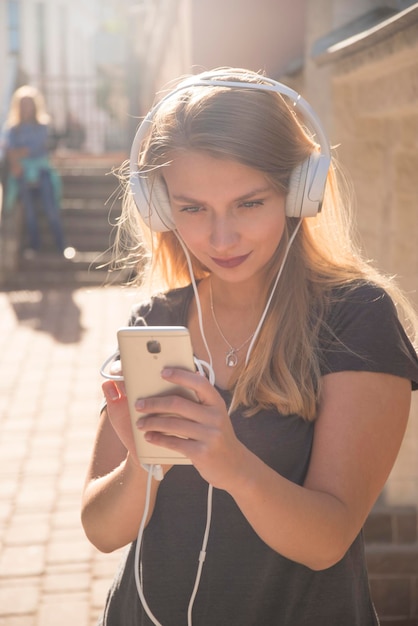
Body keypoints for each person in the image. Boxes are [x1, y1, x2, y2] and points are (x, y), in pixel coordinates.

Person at [81, 68, 418, 626]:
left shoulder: (357, 319)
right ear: (161, 210)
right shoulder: (158, 323)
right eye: (192, 208)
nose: (221, 238)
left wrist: (232, 464)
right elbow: (100, 531)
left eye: (248, 203)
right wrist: (144, 461)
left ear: (299, 192)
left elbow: (327, 540)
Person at [3, 85, 65, 255]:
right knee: (29, 211)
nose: (26, 108)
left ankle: (61, 246)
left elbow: (34, 148)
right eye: (23, 104)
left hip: (42, 172)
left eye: (29, 104)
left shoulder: (42, 126)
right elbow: (9, 150)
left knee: (50, 208)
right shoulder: (12, 129)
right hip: (22, 173)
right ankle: (34, 246)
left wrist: (19, 153)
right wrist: (16, 160)